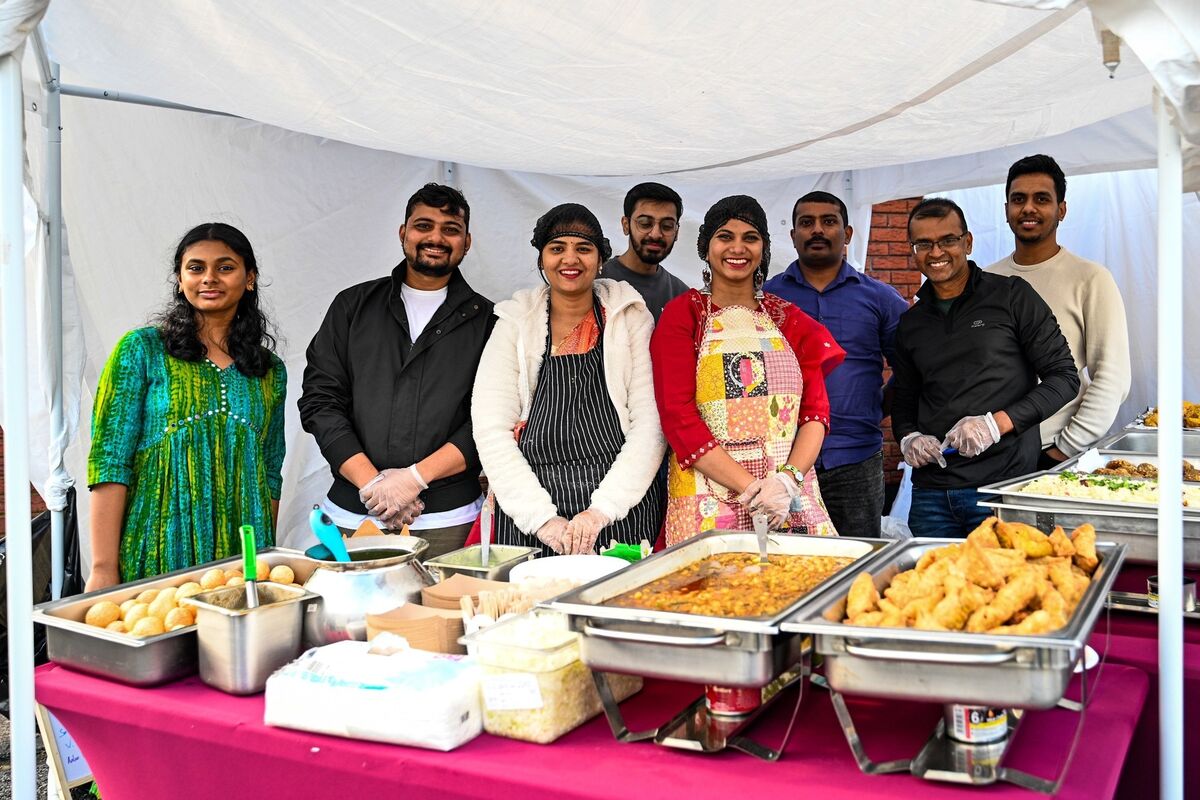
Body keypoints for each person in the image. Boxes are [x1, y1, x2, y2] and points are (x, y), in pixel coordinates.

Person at [86, 223, 286, 589]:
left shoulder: (269, 370)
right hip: (155, 556)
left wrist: (263, 560)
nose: (209, 278)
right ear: (179, 279)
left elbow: (270, 474)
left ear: (250, 278)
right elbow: (110, 462)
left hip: (237, 568)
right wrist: (102, 568)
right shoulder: (142, 350)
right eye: (196, 268)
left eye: (225, 267)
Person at [299, 183, 495, 559]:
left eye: (450, 229)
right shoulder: (353, 307)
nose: (436, 237)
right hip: (352, 516)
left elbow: (490, 419)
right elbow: (320, 401)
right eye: (424, 226)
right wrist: (374, 484)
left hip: (449, 523)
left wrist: (414, 479)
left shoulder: (489, 320)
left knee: (443, 617)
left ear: (467, 242)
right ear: (404, 233)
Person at [472, 203, 665, 556]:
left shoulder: (632, 318)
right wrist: (542, 521)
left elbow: (649, 426)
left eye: (583, 248)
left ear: (601, 258)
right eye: (557, 248)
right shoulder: (514, 323)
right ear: (541, 258)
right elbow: (491, 431)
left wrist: (600, 513)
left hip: (620, 513)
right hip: (529, 515)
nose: (570, 259)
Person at [651, 195, 845, 545]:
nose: (737, 248)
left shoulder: (790, 320)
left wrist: (786, 482)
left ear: (763, 248)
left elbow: (815, 414)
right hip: (707, 500)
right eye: (725, 236)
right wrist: (753, 489)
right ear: (706, 247)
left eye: (750, 237)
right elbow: (677, 417)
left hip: (789, 500)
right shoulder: (684, 315)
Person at [892, 198, 1080, 538]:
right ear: (913, 250)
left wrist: (997, 424)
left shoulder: (1011, 296)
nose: (936, 253)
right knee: (933, 589)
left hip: (1001, 489)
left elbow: (1064, 377)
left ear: (967, 242)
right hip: (931, 496)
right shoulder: (911, 324)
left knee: (1006, 588)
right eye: (924, 244)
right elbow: (904, 399)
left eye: (947, 240)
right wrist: (909, 437)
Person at [764, 191, 908, 537]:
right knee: (791, 569)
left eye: (828, 221)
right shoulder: (768, 299)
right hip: (784, 463)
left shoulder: (878, 297)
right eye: (806, 222)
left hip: (856, 459)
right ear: (793, 235)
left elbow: (912, 367)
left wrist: (876, 409)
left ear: (848, 234)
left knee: (859, 566)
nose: (817, 230)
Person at [987, 154, 1131, 467]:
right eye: (1018, 199)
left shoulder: (1090, 279)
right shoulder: (987, 280)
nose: (1028, 208)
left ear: (1061, 210)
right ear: (1007, 211)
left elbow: (1113, 377)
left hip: (1052, 456)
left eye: (1042, 199)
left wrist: (1063, 449)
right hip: (988, 455)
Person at [601, 182, 690, 321]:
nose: (655, 234)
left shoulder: (682, 295)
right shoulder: (596, 282)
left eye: (667, 226)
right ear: (625, 225)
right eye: (645, 223)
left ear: (677, 232)